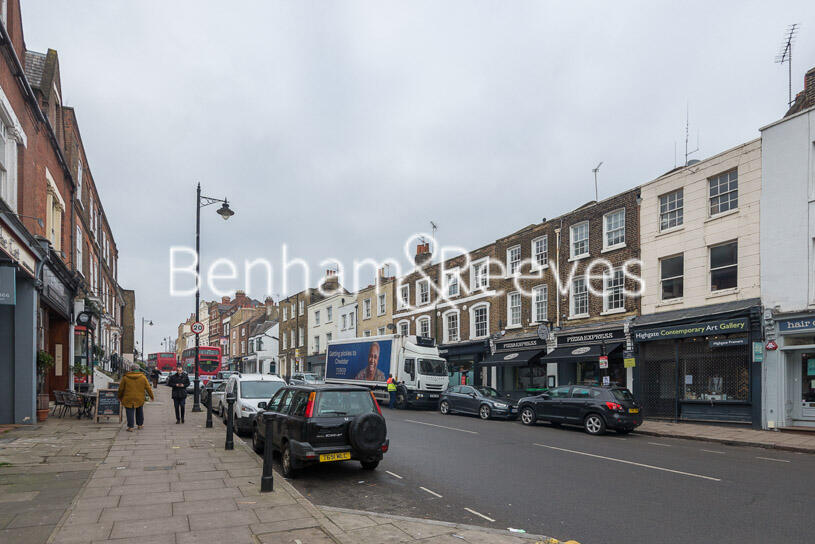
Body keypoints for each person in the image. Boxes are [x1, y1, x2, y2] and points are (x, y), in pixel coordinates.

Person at [117, 362, 154, 432]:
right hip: (139, 397)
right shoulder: (143, 377)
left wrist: (119, 396)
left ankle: (130, 427)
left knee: (129, 412)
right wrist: (151, 396)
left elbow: (121, 389)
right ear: (139, 369)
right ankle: (140, 425)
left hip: (128, 397)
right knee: (139, 410)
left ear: (131, 369)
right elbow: (148, 388)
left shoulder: (125, 377)